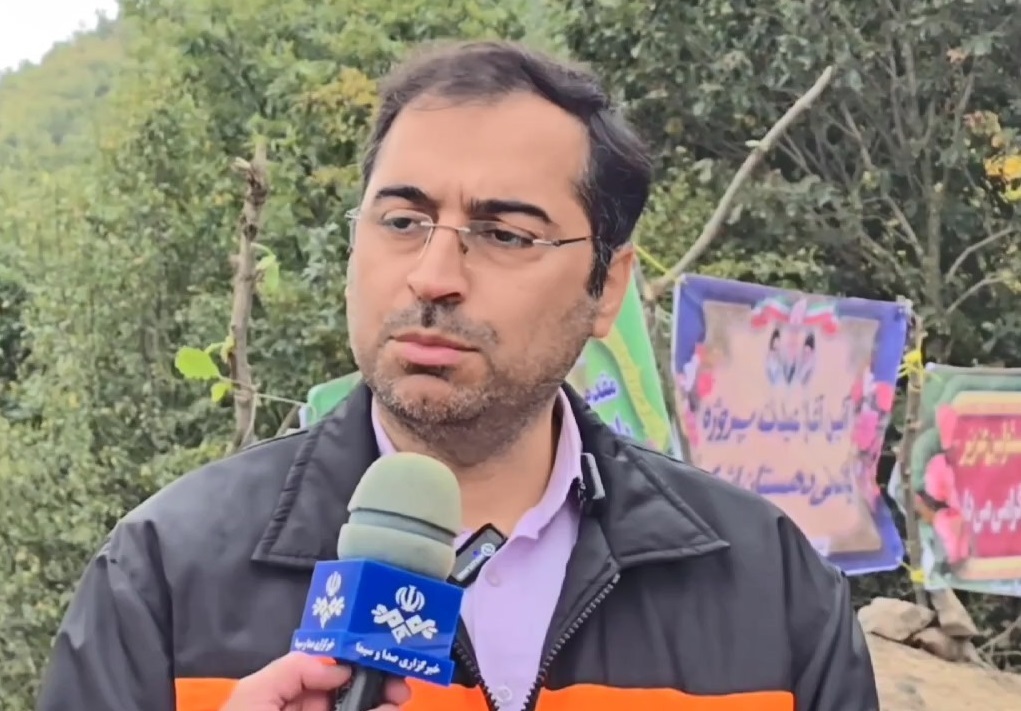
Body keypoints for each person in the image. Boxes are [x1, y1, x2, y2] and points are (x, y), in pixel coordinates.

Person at [36, 40, 879, 711]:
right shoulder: (165, 573)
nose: (433, 275)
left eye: (505, 235)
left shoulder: (766, 584)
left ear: (606, 288)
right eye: (403, 220)